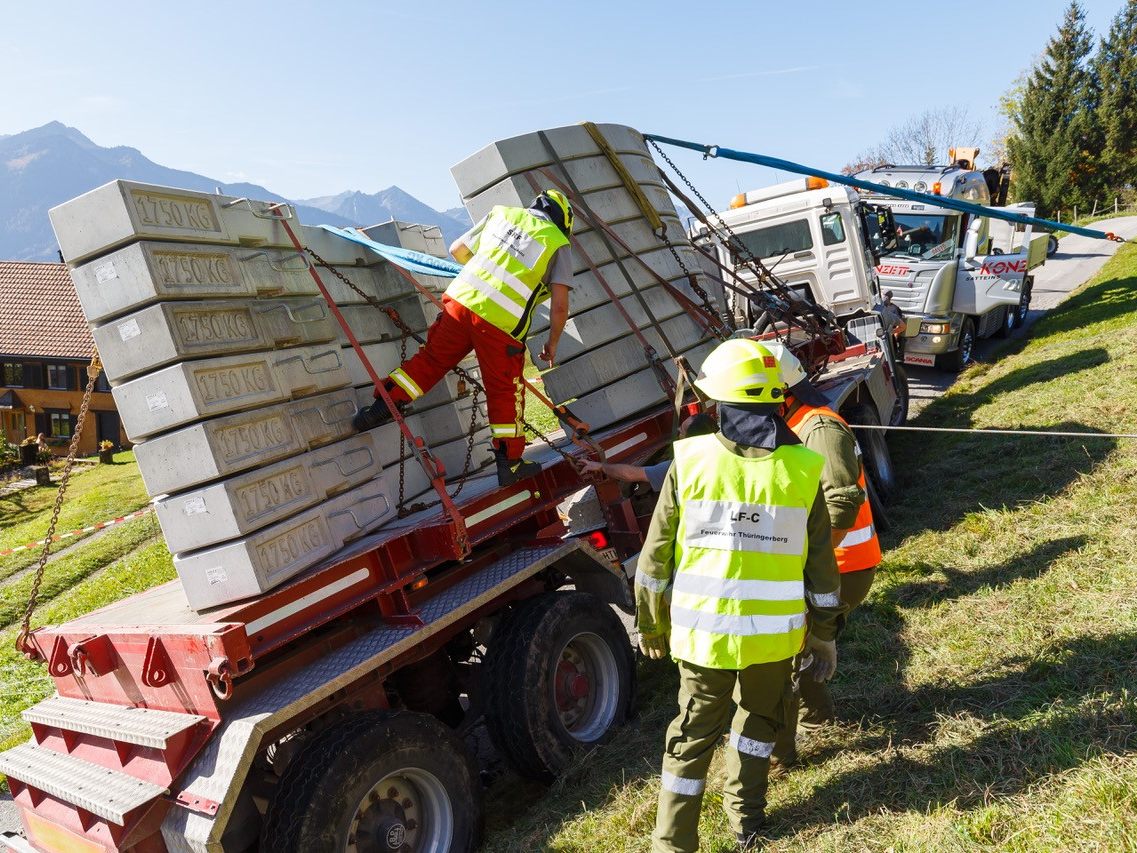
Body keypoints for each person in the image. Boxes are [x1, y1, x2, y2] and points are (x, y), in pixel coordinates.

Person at [637, 338, 845, 852]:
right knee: (755, 729)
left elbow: (653, 561)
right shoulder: (801, 470)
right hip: (772, 642)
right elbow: (821, 570)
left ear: (717, 403)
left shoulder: (689, 462)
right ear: (776, 401)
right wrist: (823, 637)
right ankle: (746, 824)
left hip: (701, 639)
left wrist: (651, 625)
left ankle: (674, 842)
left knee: (690, 738)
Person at [353, 189, 575, 487]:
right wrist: (553, 343)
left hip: (460, 303)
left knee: (431, 360)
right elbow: (560, 305)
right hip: (500, 326)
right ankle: (509, 464)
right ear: (564, 222)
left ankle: (382, 407)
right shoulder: (558, 243)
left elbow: (458, 249)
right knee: (504, 391)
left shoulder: (502, 213)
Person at [767, 345, 882, 766]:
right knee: (803, 645)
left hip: (843, 564)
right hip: (831, 563)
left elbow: (841, 503)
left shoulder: (818, 429)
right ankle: (818, 719)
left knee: (791, 649)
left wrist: (807, 564)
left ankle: (785, 751)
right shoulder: (793, 424)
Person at [578, 412, 718, 491]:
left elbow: (631, 474)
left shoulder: (680, 469)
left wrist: (601, 466)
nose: (678, 431)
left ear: (690, 441)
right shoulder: (731, 457)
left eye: (681, 431)